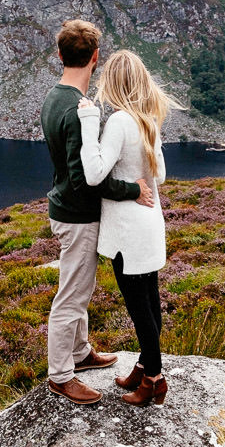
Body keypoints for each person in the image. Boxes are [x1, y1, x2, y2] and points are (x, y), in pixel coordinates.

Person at [41, 20, 155, 405]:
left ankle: (80, 352)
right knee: (72, 295)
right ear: (95, 57)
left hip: (66, 210)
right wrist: (132, 189)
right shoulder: (77, 110)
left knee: (80, 288)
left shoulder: (53, 98)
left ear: (60, 55)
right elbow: (84, 179)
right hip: (77, 216)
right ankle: (60, 375)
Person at [76, 50, 175, 406]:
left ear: (114, 83)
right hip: (150, 226)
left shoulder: (118, 121)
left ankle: (154, 381)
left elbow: (94, 174)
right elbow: (160, 175)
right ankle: (146, 365)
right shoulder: (149, 119)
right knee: (150, 301)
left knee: (140, 308)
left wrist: (89, 124)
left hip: (128, 234)